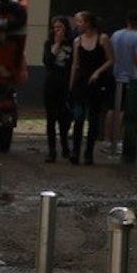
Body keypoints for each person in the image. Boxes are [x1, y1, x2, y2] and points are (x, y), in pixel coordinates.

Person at [68, 10, 112, 165]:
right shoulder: (77, 41)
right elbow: (75, 64)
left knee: (93, 119)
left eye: (79, 22)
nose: (76, 25)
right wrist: (71, 85)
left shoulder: (102, 39)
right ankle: (75, 151)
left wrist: (98, 72)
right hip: (81, 82)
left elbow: (110, 60)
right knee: (78, 117)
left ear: (87, 23)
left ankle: (88, 153)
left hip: (96, 82)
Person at [109, 11, 137, 162]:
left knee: (112, 108)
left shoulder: (116, 34)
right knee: (125, 110)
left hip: (115, 74)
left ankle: (108, 139)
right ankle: (118, 140)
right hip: (130, 77)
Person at [41, 16, 77, 163]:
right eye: (55, 28)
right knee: (51, 118)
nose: (57, 30)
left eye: (60, 27)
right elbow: (48, 63)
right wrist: (56, 44)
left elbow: (74, 64)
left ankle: (65, 146)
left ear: (66, 28)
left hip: (65, 84)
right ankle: (51, 151)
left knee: (64, 118)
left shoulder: (72, 44)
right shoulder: (49, 43)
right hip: (51, 84)